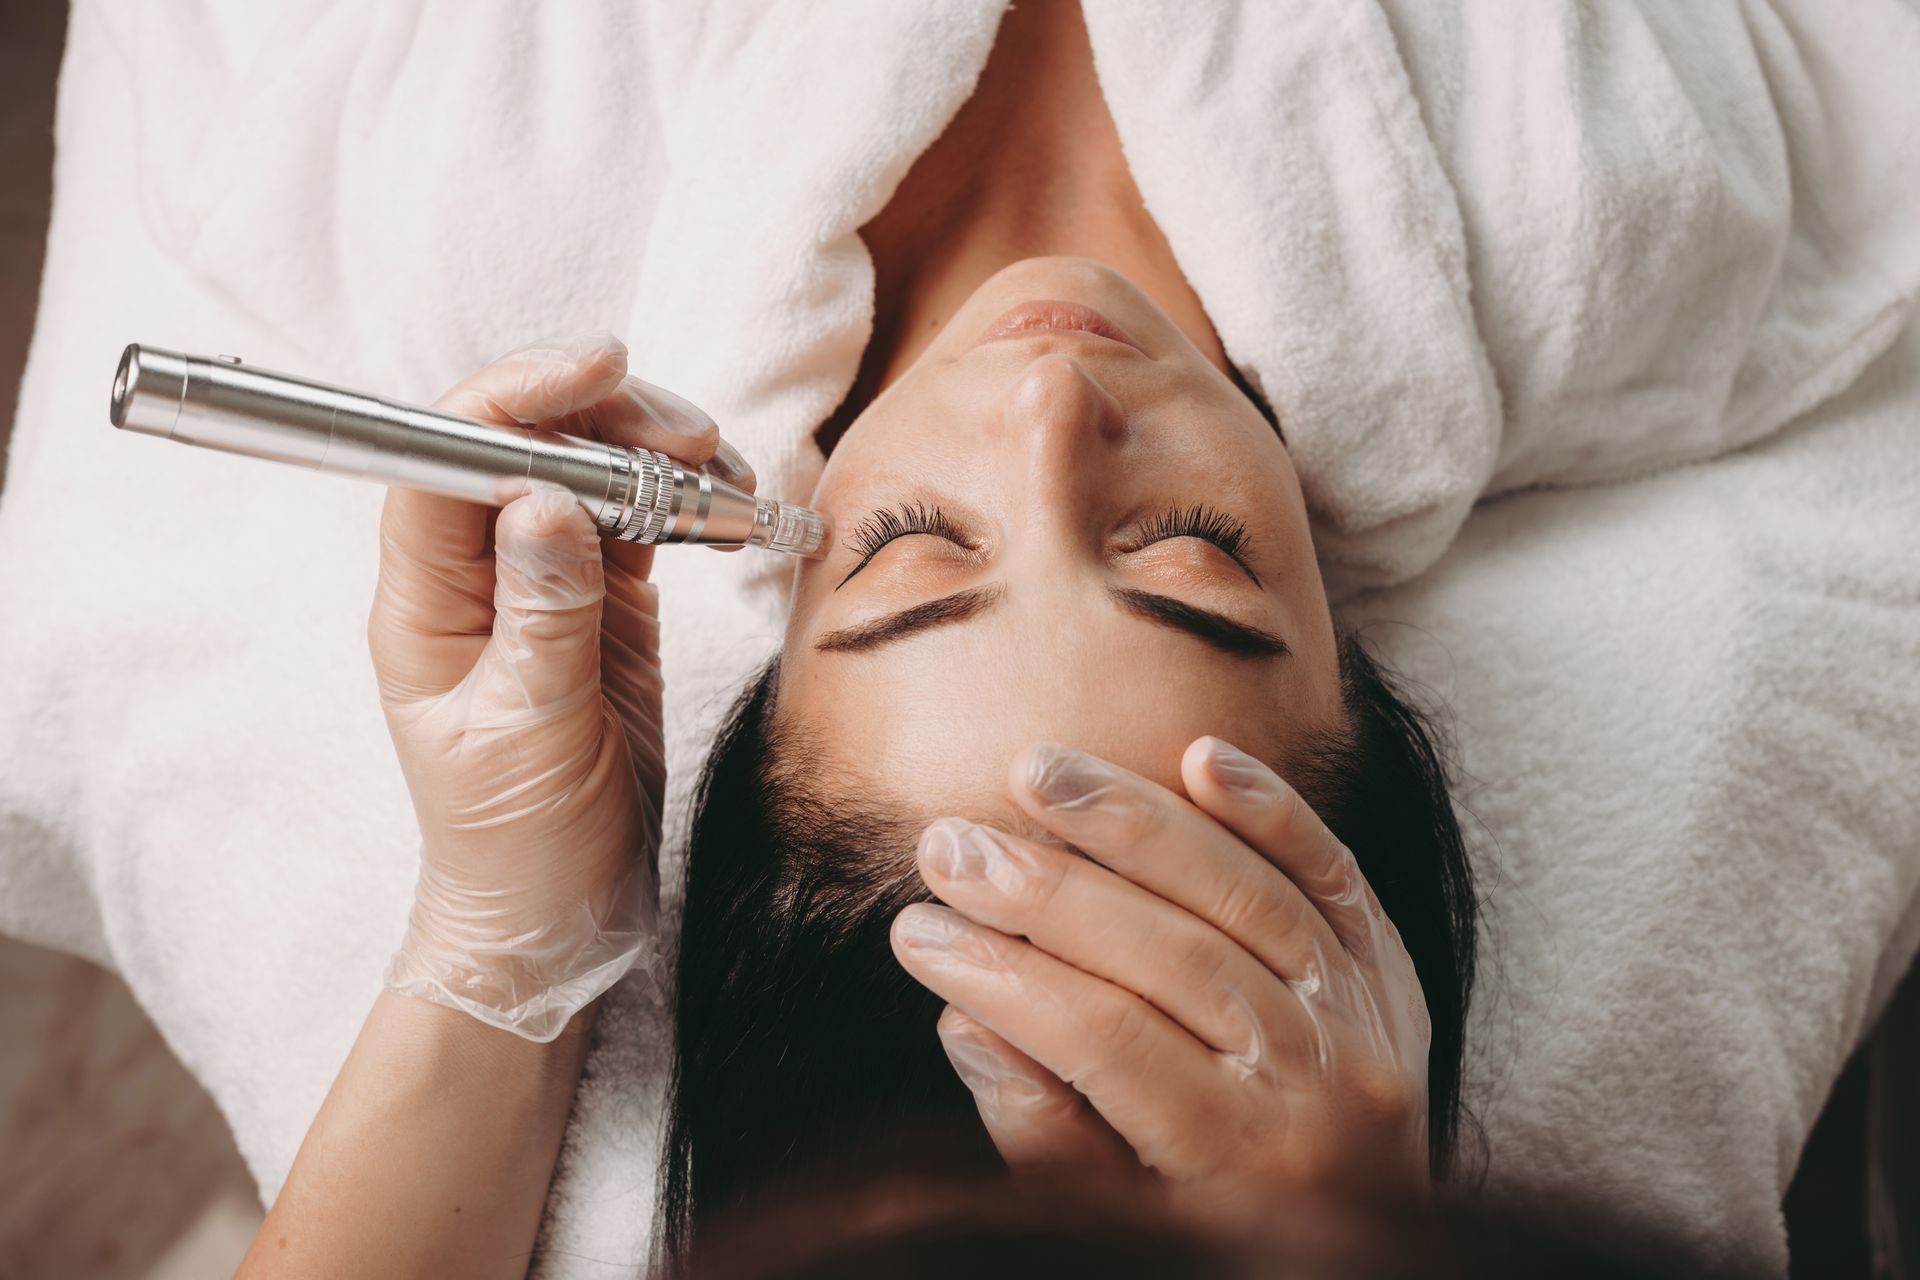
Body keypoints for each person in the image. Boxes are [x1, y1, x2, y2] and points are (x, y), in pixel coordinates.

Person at [239, 3, 1473, 1275]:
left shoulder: (492, 171)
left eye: (908, 552)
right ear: (1359, 664)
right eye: (1196, 555)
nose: (1051, 403)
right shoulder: (1544, 201)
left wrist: (497, 941)